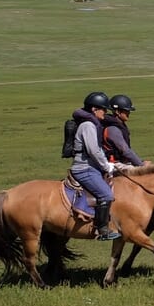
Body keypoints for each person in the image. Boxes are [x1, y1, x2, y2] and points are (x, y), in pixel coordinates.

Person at [67, 90, 122, 241]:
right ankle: (102, 230)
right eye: (103, 109)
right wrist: (107, 166)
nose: (105, 112)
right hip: (84, 168)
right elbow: (94, 150)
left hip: (90, 166)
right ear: (94, 109)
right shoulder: (88, 125)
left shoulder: (91, 124)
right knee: (106, 194)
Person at [102, 94, 149, 168]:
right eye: (126, 110)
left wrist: (141, 161)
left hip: (122, 162)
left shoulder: (120, 125)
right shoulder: (113, 129)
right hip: (114, 164)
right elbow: (126, 151)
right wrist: (142, 165)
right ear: (117, 111)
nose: (129, 113)